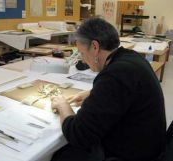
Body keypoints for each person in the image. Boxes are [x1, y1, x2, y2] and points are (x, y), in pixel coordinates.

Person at [51, 18, 166, 161]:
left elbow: (78, 135)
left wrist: (63, 106)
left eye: (81, 52)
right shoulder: (131, 58)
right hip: (148, 145)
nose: (82, 59)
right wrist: (94, 94)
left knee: (61, 155)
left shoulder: (115, 74)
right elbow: (126, 92)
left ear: (94, 47)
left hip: (132, 154)